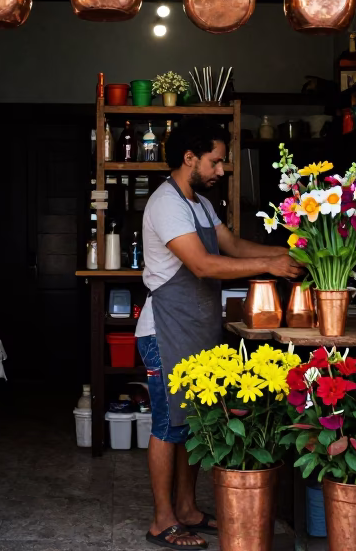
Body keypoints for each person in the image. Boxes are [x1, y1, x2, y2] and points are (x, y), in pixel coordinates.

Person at [136, 118, 303, 549]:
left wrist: (288, 252)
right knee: (165, 425)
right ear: (189, 158)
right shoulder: (165, 204)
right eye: (217, 161)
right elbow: (203, 265)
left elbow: (231, 247)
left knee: (193, 425)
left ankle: (189, 509)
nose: (223, 169)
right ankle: (162, 520)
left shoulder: (200, 205)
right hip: (164, 331)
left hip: (195, 331)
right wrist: (269, 267)